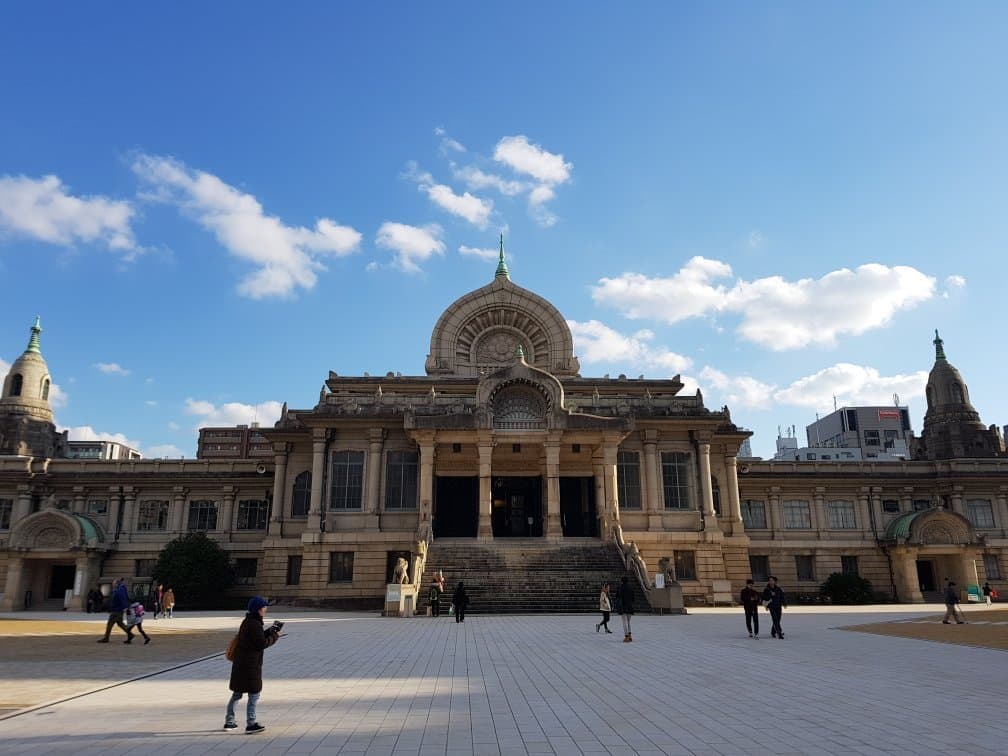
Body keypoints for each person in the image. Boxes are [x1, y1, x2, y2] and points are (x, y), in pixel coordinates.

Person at [225, 597, 283, 734]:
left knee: (237, 693)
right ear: (258, 609)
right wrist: (275, 637)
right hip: (251, 665)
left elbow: (256, 638)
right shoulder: (254, 624)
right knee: (254, 694)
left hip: (241, 663)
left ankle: (229, 721)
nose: (266, 610)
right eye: (264, 608)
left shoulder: (248, 622)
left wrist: (269, 631)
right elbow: (261, 644)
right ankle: (251, 724)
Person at [97, 578, 131, 643]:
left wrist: (125, 607)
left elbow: (122, 599)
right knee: (120, 624)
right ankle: (130, 634)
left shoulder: (120, 590)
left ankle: (106, 638)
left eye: (113, 583)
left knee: (109, 624)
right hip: (117, 609)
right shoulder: (119, 589)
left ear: (117, 584)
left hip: (117, 610)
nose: (113, 585)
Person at [618, 575, 635, 642]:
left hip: (623, 606)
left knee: (624, 622)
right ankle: (630, 635)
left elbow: (618, 597)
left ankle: (626, 636)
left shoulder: (621, 587)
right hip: (630, 607)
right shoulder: (631, 587)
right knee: (628, 622)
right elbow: (633, 598)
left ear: (622, 581)